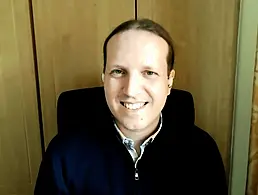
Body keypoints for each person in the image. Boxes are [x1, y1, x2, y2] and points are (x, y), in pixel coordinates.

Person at [34, 18, 228, 195]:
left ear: (169, 82)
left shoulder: (202, 152)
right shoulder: (64, 155)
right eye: (118, 71)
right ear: (104, 78)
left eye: (149, 72)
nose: (131, 90)